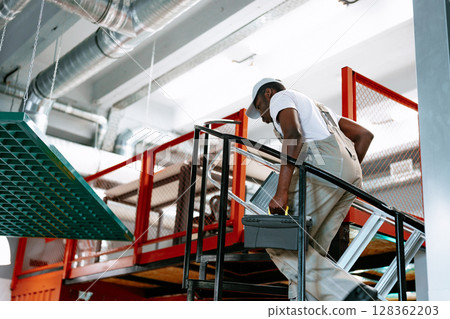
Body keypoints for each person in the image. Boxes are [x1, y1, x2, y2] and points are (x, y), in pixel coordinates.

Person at [246, 78, 376, 301]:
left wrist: (281, 191)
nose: (265, 119)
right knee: (307, 252)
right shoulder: (320, 109)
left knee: (279, 241)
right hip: (350, 178)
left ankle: (347, 290)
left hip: (325, 169)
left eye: (259, 108)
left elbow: (293, 135)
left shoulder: (280, 98)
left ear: (268, 93)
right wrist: (342, 174)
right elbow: (365, 136)